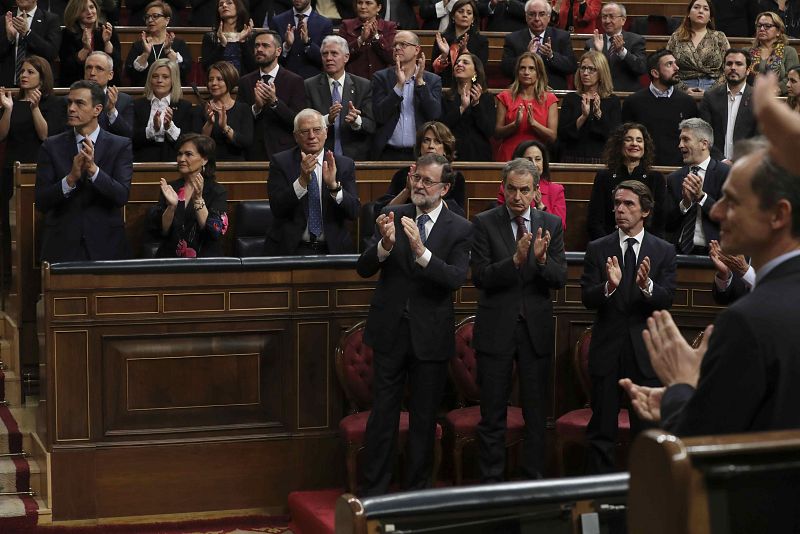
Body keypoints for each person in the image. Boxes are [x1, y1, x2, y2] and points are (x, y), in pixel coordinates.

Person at [620, 147, 800, 533]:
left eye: (732, 203)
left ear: (779, 215)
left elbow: (699, 446)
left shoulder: (748, 320)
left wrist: (681, 388)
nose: (716, 213)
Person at [356, 152, 473, 496]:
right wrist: (384, 245)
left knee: (423, 419)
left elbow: (454, 278)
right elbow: (363, 268)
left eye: (427, 181)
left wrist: (422, 252)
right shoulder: (393, 215)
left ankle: (416, 494)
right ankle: (374, 493)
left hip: (430, 337)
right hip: (390, 331)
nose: (419, 186)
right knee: (383, 416)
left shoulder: (461, 228)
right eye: (416, 179)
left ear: (445, 188)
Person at [471, 158, 566, 482]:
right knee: (492, 413)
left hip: (535, 331)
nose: (517, 196)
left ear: (536, 191)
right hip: (496, 329)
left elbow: (560, 278)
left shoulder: (550, 224)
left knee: (536, 414)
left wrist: (539, 260)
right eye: (511, 189)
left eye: (524, 190)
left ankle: (533, 481)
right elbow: (480, 277)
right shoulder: (484, 223)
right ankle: (491, 485)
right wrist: (514, 260)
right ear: (503, 188)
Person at [581, 179, 677, 474]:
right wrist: (608, 287)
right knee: (602, 431)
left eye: (628, 204)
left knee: (646, 431)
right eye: (617, 204)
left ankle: (644, 496)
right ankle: (601, 498)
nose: (620, 210)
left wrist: (646, 284)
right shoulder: (598, 248)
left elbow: (666, 300)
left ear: (645, 210)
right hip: (608, 350)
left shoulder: (663, 251)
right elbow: (587, 297)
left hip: (644, 353)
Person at [34, 80, 132, 263]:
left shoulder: (120, 146)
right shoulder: (51, 146)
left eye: (79, 103)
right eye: (69, 103)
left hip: (106, 246)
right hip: (61, 246)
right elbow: (41, 201)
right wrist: (70, 179)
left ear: (97, 110)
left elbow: (121, 196)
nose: (71, 108)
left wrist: (94, 171)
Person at [0, 56, 64, 286]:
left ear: (43, 78)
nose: (23, 75)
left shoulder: (54, 104)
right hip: (10, 169)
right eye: (23, 71)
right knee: (7, 225)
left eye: (30, 72)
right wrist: (7, 110)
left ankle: (36, 274)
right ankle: (9, 277)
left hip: (38, 170)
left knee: (35, 223)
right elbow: (2, 135)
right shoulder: (12, 101)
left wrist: (35, 108)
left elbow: (46, 136)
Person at [265, 108, 360, 255]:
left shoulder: (343, 164)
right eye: (305, 131)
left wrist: (334, 187)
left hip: (333, 250)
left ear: (326, 132)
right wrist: (301, 182)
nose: (312, 136)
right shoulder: (281, 162)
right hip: (291, 249)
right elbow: (277, 208)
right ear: (296, 136)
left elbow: (354, 212)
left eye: (317, 130)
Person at [148, 134, 228, 258]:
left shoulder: (217, 191)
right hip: (170, 260)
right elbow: (161, 231)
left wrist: (198, 199)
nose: (181, 159)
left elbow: (214, 232)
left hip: (205, 261)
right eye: (179, 154)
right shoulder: (170, 188)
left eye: (188, 154)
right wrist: (171, 207)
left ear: (204, 159)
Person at [587, 123, 667, 240]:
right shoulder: (604, 176)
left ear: (645, 146)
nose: (634, 144)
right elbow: (595, 221)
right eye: (629, 139)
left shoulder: (655, 178)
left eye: (639, 140)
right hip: (610, 243)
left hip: (645, 245)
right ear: (620, 144)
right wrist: (608, 245)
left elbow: (659, 222)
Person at [371, 30, 442, 160]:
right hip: (388, 152)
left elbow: (434, 115)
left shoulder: (432, 80)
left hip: (420, 153)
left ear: (416, 50)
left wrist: (420, 83)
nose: (397, 48)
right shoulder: (381, 77)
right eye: (395, 45)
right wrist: (399, 86)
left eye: (403, 44)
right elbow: (380, 116)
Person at [622, 49, 699, 167]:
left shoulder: (687, 102)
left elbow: (693, 140)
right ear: (655, 73)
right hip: (643, 170)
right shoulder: (633, 102)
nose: (676, 68)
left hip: (678, 170)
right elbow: (625, 140)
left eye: (675, 63)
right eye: (669, 64)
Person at [304, 35, 375, 161]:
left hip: (355, 157)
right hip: (320, 157)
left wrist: (356, 121)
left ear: (346, 57)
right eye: (325, 54)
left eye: (334, 53)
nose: (329, 58)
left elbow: (371, 125)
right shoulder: (310, 85)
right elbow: (303, 124)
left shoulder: (363, 85)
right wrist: (326, 120)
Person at [238, 30, 305, 161]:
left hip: (284, 152)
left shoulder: (294, 81)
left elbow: (298, 121)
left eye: (265, 45)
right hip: (254, 152)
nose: (259, 49)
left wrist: (275, 102)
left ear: (278, 51)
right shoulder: (245, 81)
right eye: (257, 46)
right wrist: (256, 108)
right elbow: (240, 121)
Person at [374, 121, 466, 217]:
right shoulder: (404, 174)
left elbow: (459, 217)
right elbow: (383, 214)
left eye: (437, 141)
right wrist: (407, 190)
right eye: (426, 140)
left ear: (445, 150)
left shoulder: (454, 177)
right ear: (420, 147)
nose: (431, 146)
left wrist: (431, 193)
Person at [665, 117, 729, 255]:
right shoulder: (674, 178)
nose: (680, 145)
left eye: (686, 139)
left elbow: (730, 218)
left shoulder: (726, 174)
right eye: (680, 139)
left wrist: (702, 197)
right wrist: (685, 204)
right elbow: (667, 224)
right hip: (679, 252)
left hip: (715, 253)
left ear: (704, 144)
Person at [558, 51, 622, 164]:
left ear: (601, 72)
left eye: (591, 69)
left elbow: (614, 136)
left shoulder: (612, 101)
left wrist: (598, 114)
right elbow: (563, 134)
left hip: (601, 158)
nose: (585, 73)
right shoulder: (571, 99)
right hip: (573, 157)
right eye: (583, 68)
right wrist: (583, 117)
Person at [494, 52, 557, 162]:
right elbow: (497, 133)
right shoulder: (505, 96)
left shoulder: (549, 99)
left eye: (531, 68)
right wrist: (515, 125)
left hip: (536, 158)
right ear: (517, 72)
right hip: (509, 156)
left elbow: (552, 136)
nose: (526, 72)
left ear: (539, 73)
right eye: (522, 68)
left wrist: (534, 124)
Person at [499, 0, 576, 90]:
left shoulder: (562, 37)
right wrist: (526, 55)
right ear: (526, 16)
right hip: (522, 91)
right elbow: (505, 69)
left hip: (553, 91)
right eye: (532, 14)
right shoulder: (513, 39)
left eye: (542, 14)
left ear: (549, 17)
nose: (536, 18)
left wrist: (551, 56)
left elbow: (571, 66)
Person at [699, 48, 758, 160]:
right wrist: (722, 161)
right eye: (729, 64)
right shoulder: (710, 97)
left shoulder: (758, 98)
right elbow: (704, 135)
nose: (733, 68)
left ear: (748, 70)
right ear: (724, 68)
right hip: (715, 165)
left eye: (739, 64)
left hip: (747, 165)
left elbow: (760, 138)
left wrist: (739, 162)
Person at [133, 59, 196, 162]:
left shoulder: (185, 107)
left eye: (165, 77)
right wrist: (153, 129)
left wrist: (169, 127)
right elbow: (132, 139)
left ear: (173, 80)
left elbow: (188, 143)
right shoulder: (137, 105)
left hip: (174, 161)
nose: (159, 80)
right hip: (142, 161)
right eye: (155, 76)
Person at [496, 140, 567, 229]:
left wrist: (541, 206)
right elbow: (500, 220)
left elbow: (560, 227)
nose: (534, 164)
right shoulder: (507, 188)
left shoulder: (556, 190)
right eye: (528, 160)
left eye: (538, 159)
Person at [440, 52, 495, 163]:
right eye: (457, 62)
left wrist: (476, 104)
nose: (459, 64)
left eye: (465, 62)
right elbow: (442, 127)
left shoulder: (486, 98)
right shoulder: (446, 97)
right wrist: (461, 108)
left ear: (475, 72)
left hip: (479, 155)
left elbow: (489, 130)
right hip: (452, 155)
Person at [666, 0, 731, 94]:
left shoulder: (719, 37)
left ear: (710, 17)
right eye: (696, 7)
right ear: (688, 13)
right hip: (682, 87)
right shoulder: (676, 37)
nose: (700, 11)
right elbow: (667, 66)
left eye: (705, 9)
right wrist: (684, 89)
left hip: (714, 88)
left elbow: (728, 68)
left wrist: (711, 92)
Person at [123, 1, 191, 87]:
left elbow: (185, 71)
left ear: (167, 20)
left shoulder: (178, 44)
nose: (150, 20)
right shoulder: (139, 45)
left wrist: (169, 51)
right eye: (147, 17)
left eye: (155, 16)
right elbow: (130, 74)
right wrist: (145, 54)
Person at [585, 2, 647, 93]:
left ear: (623, 20)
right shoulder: (592, 43)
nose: (607, 21)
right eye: (604, 17)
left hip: (626, 94)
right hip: (599, 93)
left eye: (611, 16)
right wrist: (597, 53)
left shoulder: (636, 40)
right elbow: (585, 72)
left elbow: (641, 68)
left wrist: (622, 52)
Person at [200, 61, 253, 161]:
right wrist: (209, 123)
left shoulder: (243, 109)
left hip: (236, 167)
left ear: (229, 81)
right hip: (209, 164)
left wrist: (225, 128)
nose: (214, 83)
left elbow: (246, 142)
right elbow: (198, 144)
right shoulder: (201, 108)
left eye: (219, 79)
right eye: (211, 79)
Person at [59, 0, 120, 87]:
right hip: (76, 84)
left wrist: (107, 42)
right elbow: (67, 67)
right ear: (75, 12)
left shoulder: (107, 29)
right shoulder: (67, 33)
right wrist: (85, 49)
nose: (89, 12)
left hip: (106, 85)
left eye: (92, 7)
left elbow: (116, 63)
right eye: (83, 10)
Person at [0, 0, 60, 86]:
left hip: (38, 86)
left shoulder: (50, 20)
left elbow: (51, 53)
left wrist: (27, 33)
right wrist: (9, 39)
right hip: (6, 85)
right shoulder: (4, 20)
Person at [268, 0, 333, 80]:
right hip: (284, 80)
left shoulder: (325, 24)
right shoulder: (277, 21)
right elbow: (271, 56)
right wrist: (286, 46)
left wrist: (307, 42)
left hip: (313, 81)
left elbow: (325, 58)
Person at [430, 0, 488, 87]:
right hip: (443, 86)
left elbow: (479, 73)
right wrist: (444, 56)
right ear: (453, 16)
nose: (465, 15)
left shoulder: (481, 41)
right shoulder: (442, 39)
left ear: (473, 19)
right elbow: (434, 71)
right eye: (461, 11)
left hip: (470, 87)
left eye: (469, 13)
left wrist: (466, 53)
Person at [339, 0, 397, 81]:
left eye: (368, 3)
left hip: (381, 82)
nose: (363, 7)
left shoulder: (389, 27)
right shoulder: (346, 26)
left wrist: (376, 37)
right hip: (353, 81)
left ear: (378, 7)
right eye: (359, 3)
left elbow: (392, 58)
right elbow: (340, 56)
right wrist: (361, 40)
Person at [748, 11, 800, 95]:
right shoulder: (747, 51)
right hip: (751, 98)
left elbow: (793, 77)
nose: (761, 29)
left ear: (778, 32)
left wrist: (777, 90)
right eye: (759, 26)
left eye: (767, 26)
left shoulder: (789, 51)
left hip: (781, 98)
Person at [84, 51, 132, 138]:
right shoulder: (71, 100)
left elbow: (127, 135)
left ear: (110, 75)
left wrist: (112, 111)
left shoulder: (124, 100)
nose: (92, 73)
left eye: (99, 69)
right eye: (89, 68)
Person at [200, 0, 255, 75]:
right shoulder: (210, 37)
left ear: (238, 7)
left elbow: (254, 67)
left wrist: (243, 42)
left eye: (229, 3)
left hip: (244, 83)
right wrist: (222, 45)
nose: (224, 5)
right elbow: (207, 67)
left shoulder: (250, 36)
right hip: (219, 82)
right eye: (220, 4)